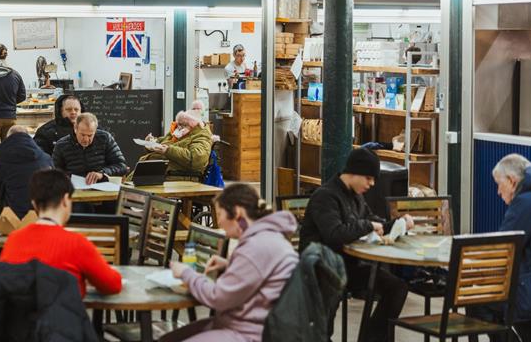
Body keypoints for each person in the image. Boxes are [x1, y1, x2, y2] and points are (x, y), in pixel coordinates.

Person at [299, 147, 416, 342]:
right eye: (369, 178)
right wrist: (368, 225)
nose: (372, 184)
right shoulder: (325, 196)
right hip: (321, 269)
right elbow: (334, 234)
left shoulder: (356, 197)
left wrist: (398, 223)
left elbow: (373, 221)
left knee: (397, 288)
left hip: (348, 266)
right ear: (354, 172)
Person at [165, 183, 298, 342]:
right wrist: (230, 265)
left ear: (237, 213)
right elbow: (260, 274)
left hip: (249, 333)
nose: (219, 222)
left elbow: (218, 297)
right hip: (250, 326)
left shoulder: (256, 246)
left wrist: (186, 273)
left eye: (220, 213)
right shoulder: (269, 237)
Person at [0, 169, 122, 297]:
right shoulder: (76, 243)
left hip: (19, 315)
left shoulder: (13, 240)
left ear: (34, 204)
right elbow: (113, 284)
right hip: (63, 315)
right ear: (65, 200)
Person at [468, 154, 531, 341]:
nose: (498, 192)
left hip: (530, 293)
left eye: (499, 184)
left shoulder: (525, 203)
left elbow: (502, 248)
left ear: (512, 180)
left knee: (478, 301)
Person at [0, 125, 53, 218]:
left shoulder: (0, 157)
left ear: (8, 139)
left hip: (13, 215)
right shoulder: (45, 158)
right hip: (42, 212)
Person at [52, 113, 127, 184]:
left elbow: (121, 165)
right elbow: (54, 171)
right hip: (73, 188)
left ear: (95, 131)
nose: (86, 139)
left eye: (90, 135)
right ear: (75, 129)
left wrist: (102, 173)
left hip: (102, 187)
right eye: (82, 135)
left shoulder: (105, 138)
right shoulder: (61, 145)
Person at [138, 108, 213, 179]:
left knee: (134, 185)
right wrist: (151, 142)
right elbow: (163, 141)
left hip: (175, 174)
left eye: (184, 125)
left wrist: (168, 150)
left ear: (193, 125)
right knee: (132, 184)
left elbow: (197, 159)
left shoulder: (201, 136)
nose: (179, 127)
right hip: (160, 170)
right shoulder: (179, 132)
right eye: (178, 124)